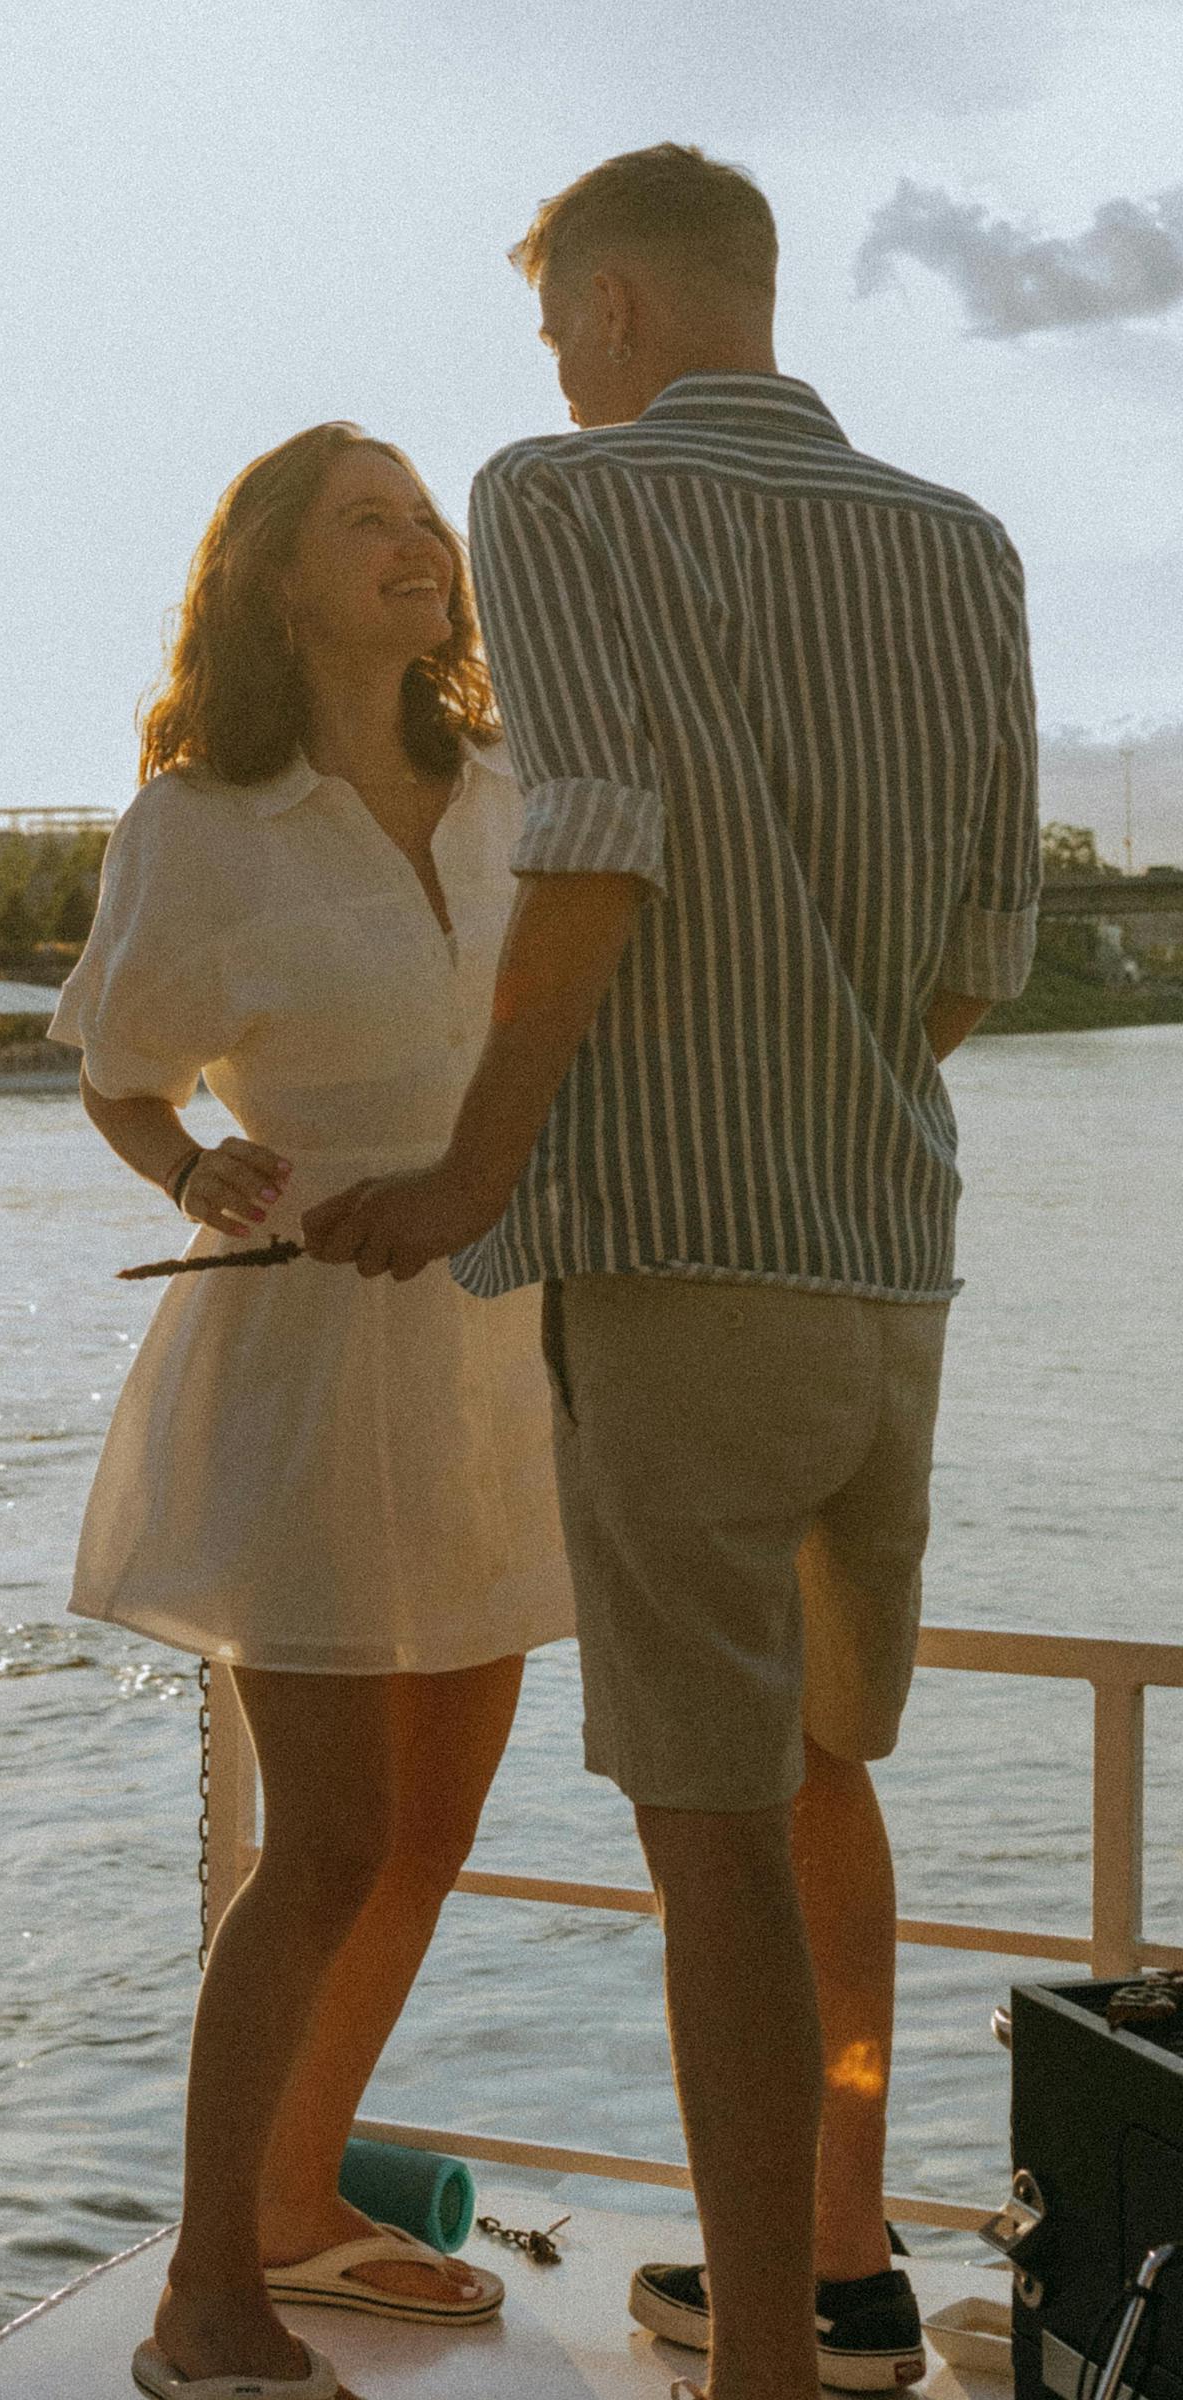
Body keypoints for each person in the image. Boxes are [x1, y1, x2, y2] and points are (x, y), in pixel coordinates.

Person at [302, 144, 1040, 2400]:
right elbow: (985, 951)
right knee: (826, 1771)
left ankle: (762, 2385)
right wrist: (823, 1093)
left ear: (612, 307)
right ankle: (833, 2268)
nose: (550, 376)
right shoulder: (964, 545)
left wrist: (462, 1177)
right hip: (885, 1258)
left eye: (554, 331)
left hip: (681, 1264)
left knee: (706, 1827)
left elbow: (597, 835)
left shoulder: (568, 492)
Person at [51, 421, 574, 2400]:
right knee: (331, 1830)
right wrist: (192, 1171)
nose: (420, 543)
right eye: (371, 521)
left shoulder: (513, 788)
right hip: (320, 1349)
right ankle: (206, 2300)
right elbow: (119, 1065)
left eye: (425, 516)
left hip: (503, 1351)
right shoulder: (203, 819)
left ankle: (288, 2208)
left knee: (432, 1826)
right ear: (279, 580)